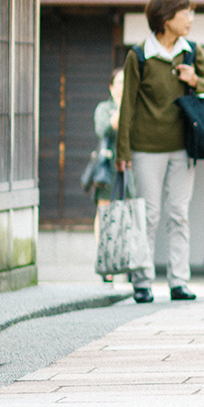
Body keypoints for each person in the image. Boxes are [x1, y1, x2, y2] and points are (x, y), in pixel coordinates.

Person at [115, 0, 204, 304]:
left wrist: (194, 80)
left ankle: (179, 282)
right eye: (185, 12)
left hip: (183, 147)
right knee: (148, 215)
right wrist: (123, 151)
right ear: (165, 18)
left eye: (191, 12)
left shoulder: (191, 51)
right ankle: (142, 282)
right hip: (146, 148)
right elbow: (127, 106)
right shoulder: (140, 55)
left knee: (178, 214)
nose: (191, 19)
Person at [82, 67, 123, 281]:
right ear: (111, 86)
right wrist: (118, 117)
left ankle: (123, 262)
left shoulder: (135, 107)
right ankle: (105, 261)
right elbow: (102, 130)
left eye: (127, 83)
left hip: (130, 168)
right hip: (108, 167)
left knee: (126, 214)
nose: (123, 87)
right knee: (105, 213)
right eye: (119, 83)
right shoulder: (104, 108)